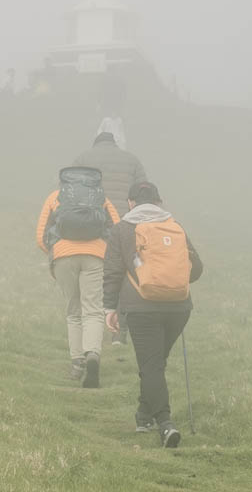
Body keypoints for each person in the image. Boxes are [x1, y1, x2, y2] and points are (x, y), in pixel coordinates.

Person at [102, 182, 203, 447]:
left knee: (151, 365)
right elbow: (197, 269)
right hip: (179, 308)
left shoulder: (122, 228)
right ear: (158, 202)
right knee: (155, 363)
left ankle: (166, 424)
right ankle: (144, 415)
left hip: (141, 308)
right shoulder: (175, 226)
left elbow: (112, 272)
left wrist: (110, 308)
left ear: (131, 202)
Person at [36, 168, 120, 388]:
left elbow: (40, 236)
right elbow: (117, 228)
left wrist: (55, 252)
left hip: (64, 257)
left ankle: (77, 364)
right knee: (93, 309)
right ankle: (93, 354)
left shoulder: (55, 197)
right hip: (96, 256)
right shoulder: (101, 198)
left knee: (73, 311)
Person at [74, 131, 148, 344]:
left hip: (95, 223)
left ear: (95, 143)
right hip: (127, 224)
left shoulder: (83, 158)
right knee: (125, 273)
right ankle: (120, 330)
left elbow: (69, 190)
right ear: (114, 144)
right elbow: (145, 193)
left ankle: (94, 323)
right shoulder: (132, 160)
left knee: (98, 271)